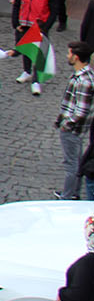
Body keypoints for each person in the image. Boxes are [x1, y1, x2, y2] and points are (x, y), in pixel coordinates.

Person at [56, 41, 94, 200]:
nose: (67, 56)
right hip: (74, 128)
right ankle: (73, 193)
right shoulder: (86, 75)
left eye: (69, 53)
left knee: (71, 164)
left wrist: (66, 124)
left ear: (76, 57)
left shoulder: (83, 80)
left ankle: (68, 195)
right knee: (75, 161)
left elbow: (82, 111)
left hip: (72, 129)